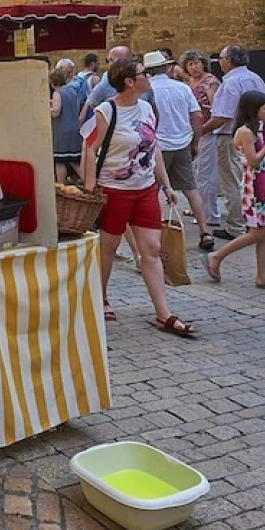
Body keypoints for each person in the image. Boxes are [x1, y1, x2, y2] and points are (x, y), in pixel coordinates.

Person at [80, 58, 194, 336]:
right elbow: (89, 148)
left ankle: (163, 313)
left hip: (144, 188)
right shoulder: (106, 111)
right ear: (130, 82)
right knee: (108, 246)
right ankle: (102, 296)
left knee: (152, 249)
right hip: (113, 190)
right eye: (144, 74)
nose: (149, 77)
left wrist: (166, 185)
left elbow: (153, 146)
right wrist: (91, 186)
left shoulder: (146, 108)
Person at [202, 90, 265, 289]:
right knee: (256, 232)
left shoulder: (259, 127)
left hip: (264, 182)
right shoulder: (245, 131)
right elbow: (253, 160)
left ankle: (262, 275)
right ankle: (217, 256)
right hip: (253, 184)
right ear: (254, 110)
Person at [144, 51, 214, 252]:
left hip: (158, 145)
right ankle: (204, 231)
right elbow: (198, 116)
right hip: (182, 141)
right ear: (167, 68)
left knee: (153, 189)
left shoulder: (148, 91)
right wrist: (195, 141)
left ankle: (154, 234)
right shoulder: (182, 88)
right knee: (190, 187)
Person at [204, 45, 265, 240]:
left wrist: (201, 130)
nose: (219, 62)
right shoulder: (256, 78)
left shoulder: (230, 83)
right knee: (249, 179)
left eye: (221, 58)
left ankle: (235, 225)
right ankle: (251, 220)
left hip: (231, 136)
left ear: (229, 61)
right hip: (255, 134)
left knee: (232, 181)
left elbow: (222, 116)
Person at [183, 49, 221, 232]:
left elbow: (215, 106)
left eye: (197, 63)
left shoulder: (210, 82)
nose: (194, 67)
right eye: (190, 64)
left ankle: (210, 214)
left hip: (207, 131)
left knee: (206, 173)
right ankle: (200, 208)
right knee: (197, 172)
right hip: (192, 131)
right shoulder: (189, 82)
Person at [80, 46, 150, 121]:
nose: (108, 64)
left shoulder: (143, 82)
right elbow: (92, 102)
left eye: (110, 60)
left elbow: (154, 109)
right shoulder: (106, 80)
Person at [49, 67, 83, 182]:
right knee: (74, 160)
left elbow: (56, 112)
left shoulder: (57, 93)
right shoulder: (72, 91)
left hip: (62, 130)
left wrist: (46, 109)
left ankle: (61, 186)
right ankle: (90, 184)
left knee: (60, 160)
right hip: (75, 128)